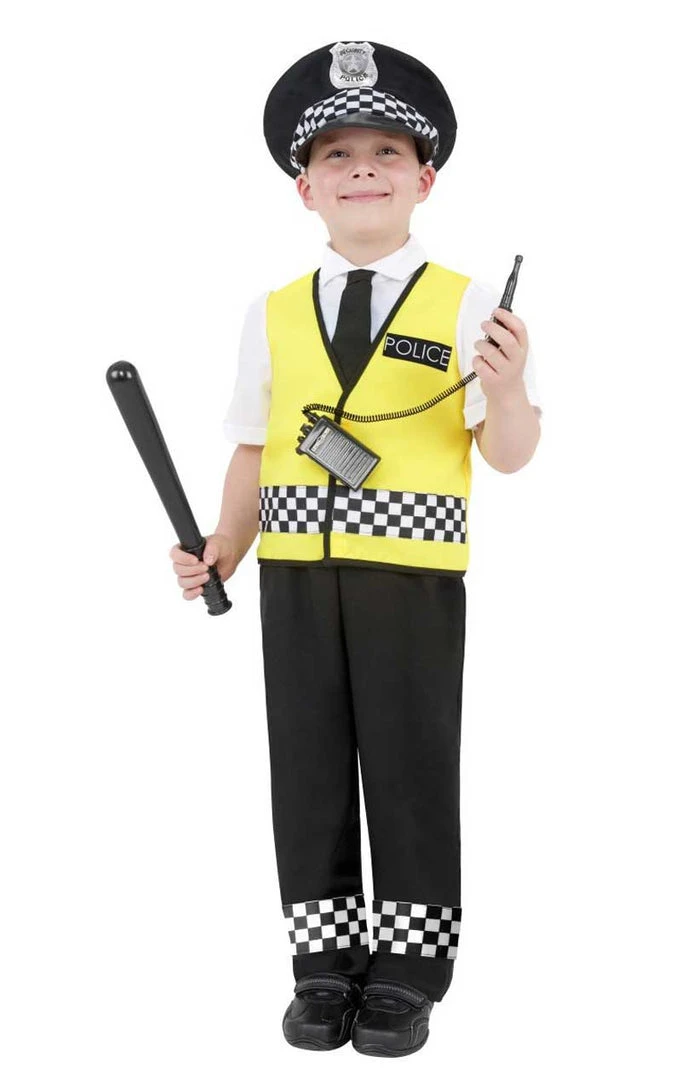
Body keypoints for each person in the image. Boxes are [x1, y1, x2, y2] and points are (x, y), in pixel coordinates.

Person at [169, 40, 542, 1058]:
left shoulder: (469, 304)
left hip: (411, 579)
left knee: (411, 768)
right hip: (295, 574)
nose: (362, 169)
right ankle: (324, 965)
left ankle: (410, 973)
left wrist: (507, 389)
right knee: (308, 768)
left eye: (387, 152)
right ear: (305, 188)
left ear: (426, 179)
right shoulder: (273, 313)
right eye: (337, 155)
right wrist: (226, 543)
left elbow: (507, 454)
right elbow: (255, 444)